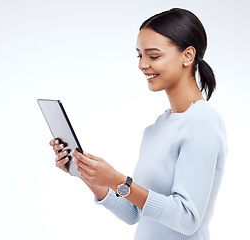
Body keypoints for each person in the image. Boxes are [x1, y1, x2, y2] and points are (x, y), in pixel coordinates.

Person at [50, 8, 227, 240]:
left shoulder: (202, 121)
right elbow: (134, 212)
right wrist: (88, 174)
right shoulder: (156, 129)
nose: (142, 65)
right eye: (139, 55)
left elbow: (187, 219)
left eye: (153, 56)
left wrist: (116, 179)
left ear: (188, 55)